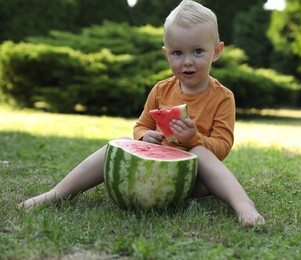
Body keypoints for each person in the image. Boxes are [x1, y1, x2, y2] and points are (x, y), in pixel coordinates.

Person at [19, 0, 266, 227]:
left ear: (216, 51)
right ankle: (57, 193)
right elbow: (140, 126)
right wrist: (144, 136)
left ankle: (243, 205)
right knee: (117, 146)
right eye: (178, 53)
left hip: (195, 180)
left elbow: (222, 146)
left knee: (201, 152)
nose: (187, 61)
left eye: (198, 51)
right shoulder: (161, 89)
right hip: (150, 170)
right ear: (166, 54)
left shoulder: (223, 97)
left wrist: (194, 140)